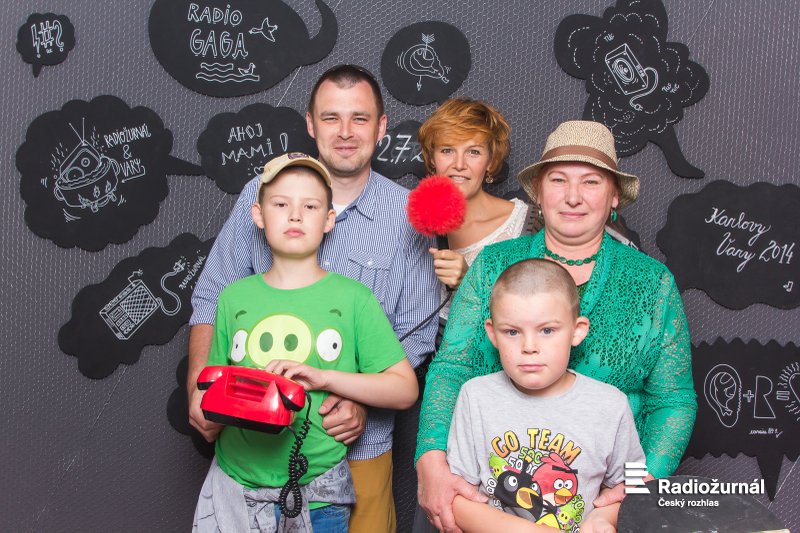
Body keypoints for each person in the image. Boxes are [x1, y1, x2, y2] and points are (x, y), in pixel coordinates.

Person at [189, 65, 439, 533]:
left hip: (358, 443)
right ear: (310, 123)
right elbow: (212, 295)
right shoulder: (261, 193)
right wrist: (198, 391)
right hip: (254, 449)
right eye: (330, 117)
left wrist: (357, 396)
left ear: (382, 126)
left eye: (359, 118)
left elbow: (418, 332)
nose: (345, 132)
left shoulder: (407, 215)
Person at [415, 120, 696, 533]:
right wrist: (430, 460)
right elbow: (453, 367)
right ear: (538, 192)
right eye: (558, 180)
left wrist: (638, 487)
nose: (573, 196)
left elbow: (673, 400)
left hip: (598, 509)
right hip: (489, 503)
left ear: (614, 196)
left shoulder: (652, 283)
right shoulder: (493, 264)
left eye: (591, 182)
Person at [448, 258, 645, 532]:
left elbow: (636, 485)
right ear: (492, 334)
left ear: (577, 331)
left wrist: (603, 518)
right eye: (512, 332)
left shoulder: (611, 405)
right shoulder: (475, 396)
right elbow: (456, 500)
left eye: (547, 330)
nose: (529, 347)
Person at [416, 98, 533, 319]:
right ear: (432, 159)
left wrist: (468, 281)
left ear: (491, 161)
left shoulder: (525, 225)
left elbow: (534, 314)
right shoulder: (416, 225)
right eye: (447, 150)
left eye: (474, 152)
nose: (459, 164)